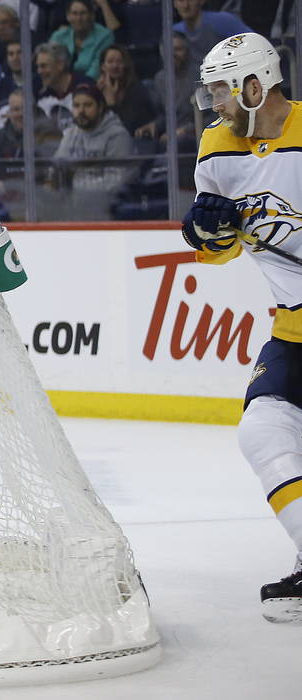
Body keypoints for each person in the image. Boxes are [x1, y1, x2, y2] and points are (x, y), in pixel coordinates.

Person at [180, 33, 302, 622]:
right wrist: (206, 231)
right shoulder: (215, 146)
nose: (215, 103)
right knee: (262, 431)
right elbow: (219, 251)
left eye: (223, 90)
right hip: (293, 333)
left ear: (257, 85)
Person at [51, 82, 133, 193]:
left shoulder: (117, 135)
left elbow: (117, 181)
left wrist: (74, 186)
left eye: (87, 105)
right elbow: (57, 165)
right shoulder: (72, 133)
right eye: (76, 106)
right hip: (72, 200)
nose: (81, 111)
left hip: (105, 203)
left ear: (100, 108)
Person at [173, 0, 252, 68]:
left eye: (191, 0)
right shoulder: (175, 32)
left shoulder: (223, 21)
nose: (185, 5)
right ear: (175, 3)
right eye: (181, 0)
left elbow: (253, 41)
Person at [48, 0, 114, 80]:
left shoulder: (105, 36)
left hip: (91, 86)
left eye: (83, 13)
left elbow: (95, 71)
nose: (79, 18)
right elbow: (50, 64)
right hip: (60, 85)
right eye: (74, 13)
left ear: (92, 16)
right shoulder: (59, 35)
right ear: (68, 16)